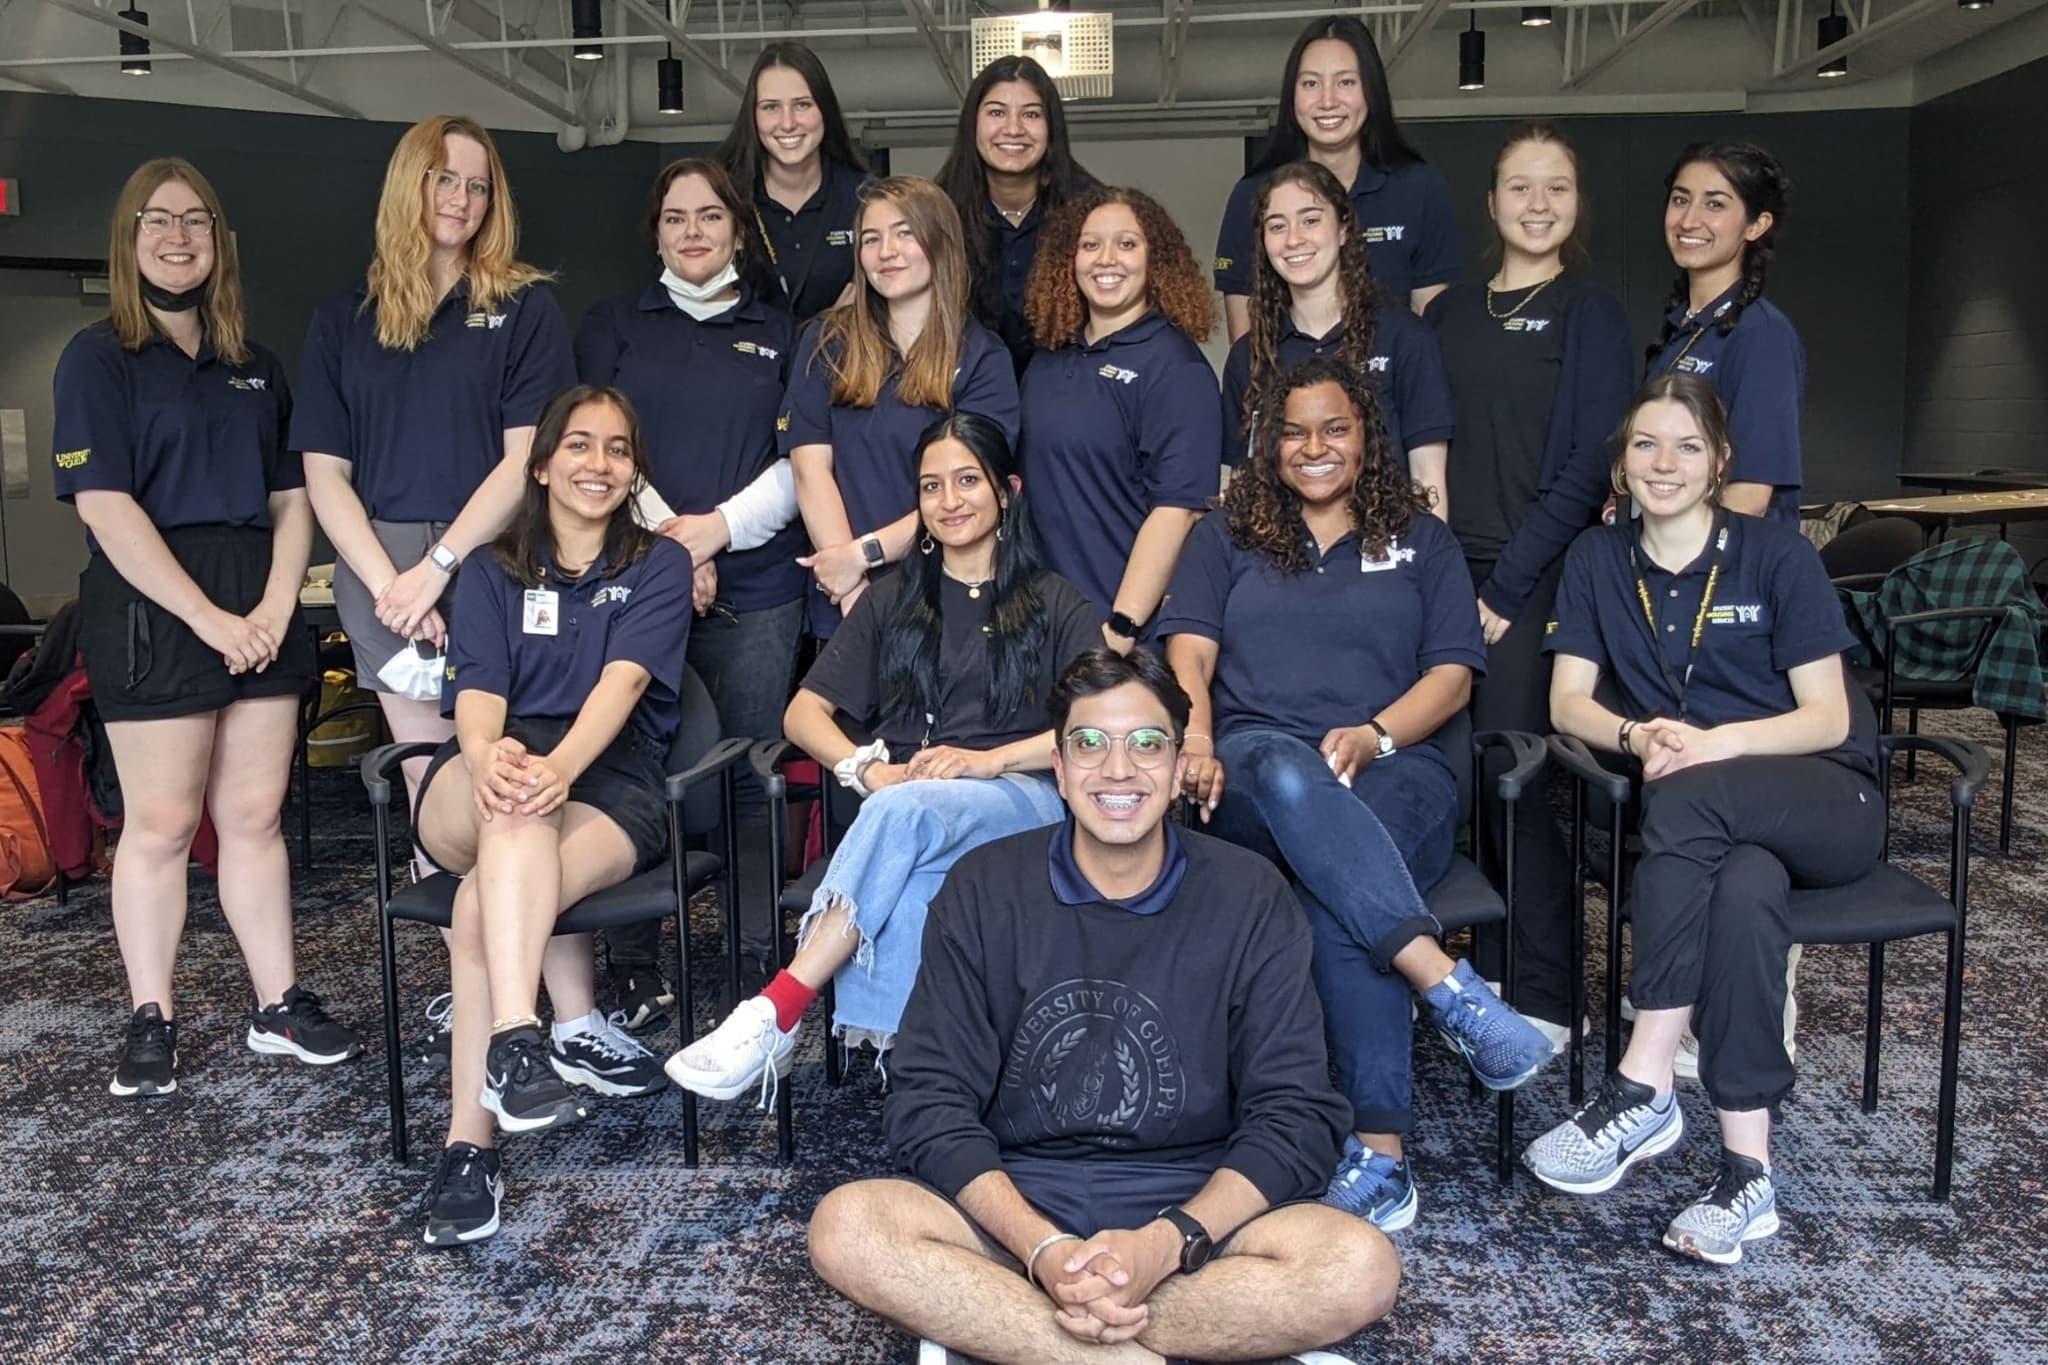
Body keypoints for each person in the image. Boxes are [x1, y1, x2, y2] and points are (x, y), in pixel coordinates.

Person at [806, 648, 1395, 1365]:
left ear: (1178, 767)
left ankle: (1011, 1330)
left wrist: (1164, 1244)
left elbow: (1296, 1114)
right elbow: (928, 1101)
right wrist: (1043, 1249)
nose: (1118, 769)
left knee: (1359, 1265)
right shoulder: (983, 887)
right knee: (848, 1226)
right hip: (1015, 1202)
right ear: (1058, 769)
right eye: (1090, 744)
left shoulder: (1252, 894)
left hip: (1194, 1207)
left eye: (1147, 744)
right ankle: (1121, 1349)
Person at [1160, 358, 1554, 1233]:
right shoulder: (1225, 535)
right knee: (1285, 769)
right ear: (1267, 444)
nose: (1315, 447)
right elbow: (1189, 651)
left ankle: (1381, 1159)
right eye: (1294, 431)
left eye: (1334, 428)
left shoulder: (1424, 539)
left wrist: (1376, 734)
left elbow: (1452, 675)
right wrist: (1196, 736)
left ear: (1366, 435)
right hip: (1253, 769)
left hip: (1397, 768)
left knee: (1336, 896)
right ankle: (1445, 986)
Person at [1523, 374, 1881, 1266]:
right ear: (1622, 461)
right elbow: (1568, 702)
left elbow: (1827, 718)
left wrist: (1711, 745)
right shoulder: (1597, 558)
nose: (1664, 463)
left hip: (1825, 794)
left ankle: (1644, 1077)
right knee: (1743, 891)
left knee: (1685, 795)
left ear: (1720, 461)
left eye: (1687, 446)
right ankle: (1747, 1172)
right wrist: (1637, 733)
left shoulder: (1776, 555)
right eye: (1646, 444)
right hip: (1717, 828)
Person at [665, 413, 1098, 1102]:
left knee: (906, 810)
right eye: (931, 486)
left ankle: (779, 1006)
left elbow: (1097, 729)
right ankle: (925, 1091)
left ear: (1007, 491)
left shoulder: (1054, 600)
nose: (949, 500)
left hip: (1024, 801)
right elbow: (802, 715)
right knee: (915, 878)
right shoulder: (897, 598)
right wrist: (865, 769)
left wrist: (987, 762)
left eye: (967, 481)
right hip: (915, 812)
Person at [54, 157, 357, 1098]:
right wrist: (212, 618)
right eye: (158, 220)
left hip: (257, 604)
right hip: (154, 605)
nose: (178, 237)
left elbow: (292, 498)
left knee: (255, 817)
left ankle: (278, 1004)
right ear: (129, 238)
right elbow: (105, 508)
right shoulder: (96, 358)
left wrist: (272, 607)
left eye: (196, 221)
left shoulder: (254, 365)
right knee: (162, 823)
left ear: (220, 242)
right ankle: (152, 1017)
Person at [293, 113, 592, 1056]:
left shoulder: (524, 308)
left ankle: (551, 1006)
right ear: (409, 186)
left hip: (494, 560)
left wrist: (439, 568)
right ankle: (479, 991)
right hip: (380, 573)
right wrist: (393, 584)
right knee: (436, 788)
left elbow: (524, 460)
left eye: (477, 184)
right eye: (444, 179)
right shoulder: (344, 318)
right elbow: (324, 473)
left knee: (515, 772)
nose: (461, 199)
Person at [414, 385, 693, 1247]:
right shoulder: (490, 568)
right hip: (486, 764)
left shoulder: (659, 564)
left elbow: (624, 683)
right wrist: (484, 754)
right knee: (509, 808)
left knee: (480, 902)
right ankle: (518, 1037)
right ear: (541, 465)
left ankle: (469, 1145)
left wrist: (557, 771)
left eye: (618, 449)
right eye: (578, 444)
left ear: (635, 472)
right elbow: (477, 689)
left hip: (609, 777)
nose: (598, 463)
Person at [575, 157, 803, 1018]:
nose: (693, 231)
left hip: (758, 587)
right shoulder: (613, 325)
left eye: (710, 215)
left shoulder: (783, 330)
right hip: (632, 583)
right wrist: (678, 550)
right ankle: (634, 964)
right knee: (630, 767)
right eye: (675, 218)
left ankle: (754, 956)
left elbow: (801, 461)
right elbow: (598, 453)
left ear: (738, 228)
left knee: (747, 770)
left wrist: (718, 532)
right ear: (656, 233)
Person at [1425, 123, 1635, 1050]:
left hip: (1536, 577)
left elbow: (1591, 464)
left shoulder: (1592, 312)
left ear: (1577, 203)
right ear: (1492, 201)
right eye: (1520, 186)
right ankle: (1495, 970)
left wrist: (1506, 589)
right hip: (1447, 573)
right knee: (1463, 777)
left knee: (1517, 774)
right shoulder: (1449, 314)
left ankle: (1549, 992)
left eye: (1557, 187)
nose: (1538, 204)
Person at [783, 175, 1020, 639]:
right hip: (844, 602)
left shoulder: (983, 357)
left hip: (950, 602)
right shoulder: (826, 342)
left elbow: (971, 492)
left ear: (940, 243)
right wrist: (854, 594)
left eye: (904, 233)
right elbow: (810, 470)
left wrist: (863, 554)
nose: (886, 251)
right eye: (871, 239)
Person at [1018, 186, 1220, 647]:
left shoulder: (1176, 368)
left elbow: (1178, 511)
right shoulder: (1047, 360)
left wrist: (1121, 628)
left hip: (1122, 635)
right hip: (1042, 628)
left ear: (1155, 260)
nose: (1106, 259)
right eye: (1090, 245)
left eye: (1127, 244)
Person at [1223, 160, 1454, 516]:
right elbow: (1239, 485)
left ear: (1344, 228)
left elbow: (1428, 480)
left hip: (1385, 544)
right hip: (1278, 547)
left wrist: (1420, 552)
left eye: (1311, 220)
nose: (1294, 239)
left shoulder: (1405, 337)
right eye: (1277, 226)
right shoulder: (1249, 355)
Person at [1215, 15, 1459, 343]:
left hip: (1392, 376)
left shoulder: (1419, 188)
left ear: (1371, 90)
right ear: (1291, 95)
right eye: (1310, 84)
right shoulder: (1253, 195)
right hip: (1289, 377)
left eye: (1346, 82)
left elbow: (1430, 333)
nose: (1328, 101)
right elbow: (1247, 345)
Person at [1644, 140, 1802, 523]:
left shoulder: (1762, 335)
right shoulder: (1682, 327)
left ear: (1756, 225)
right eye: (1681, 200)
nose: (1688, 220)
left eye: (1715, 204)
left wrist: (1672, 554)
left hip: (1728, 558)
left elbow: (1749, 497)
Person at [934, 54, 1098, 373]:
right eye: (997, 112)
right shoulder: (937, 210)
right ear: (973, 123)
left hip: (1071, 386)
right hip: (963, 388)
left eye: (1031, 114)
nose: (1013, 129)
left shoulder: (1091, 210)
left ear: (1051, 127)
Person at [713, 41, 870, 323]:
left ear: (825, 110)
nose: (787, 123)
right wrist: (826, 325)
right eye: (771, 107)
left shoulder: (865, 199)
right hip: (744, 353)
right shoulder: (722, 198)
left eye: (802, 105)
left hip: (846, 352)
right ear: (753, 116)